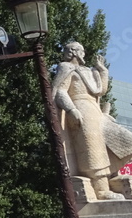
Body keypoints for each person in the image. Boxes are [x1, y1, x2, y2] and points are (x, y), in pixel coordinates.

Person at [52, 42, 124, 200]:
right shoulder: (65, 67)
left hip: (95, 109)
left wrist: (102, 70)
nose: (84, 54)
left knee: (116, 142)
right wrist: (71, 109)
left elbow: (101, 90)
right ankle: (101, 190)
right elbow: (60, 91)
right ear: (75, 52)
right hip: (81, 109)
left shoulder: (89, 71)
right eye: (82, 51)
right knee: (93, 149)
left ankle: (112, 178)